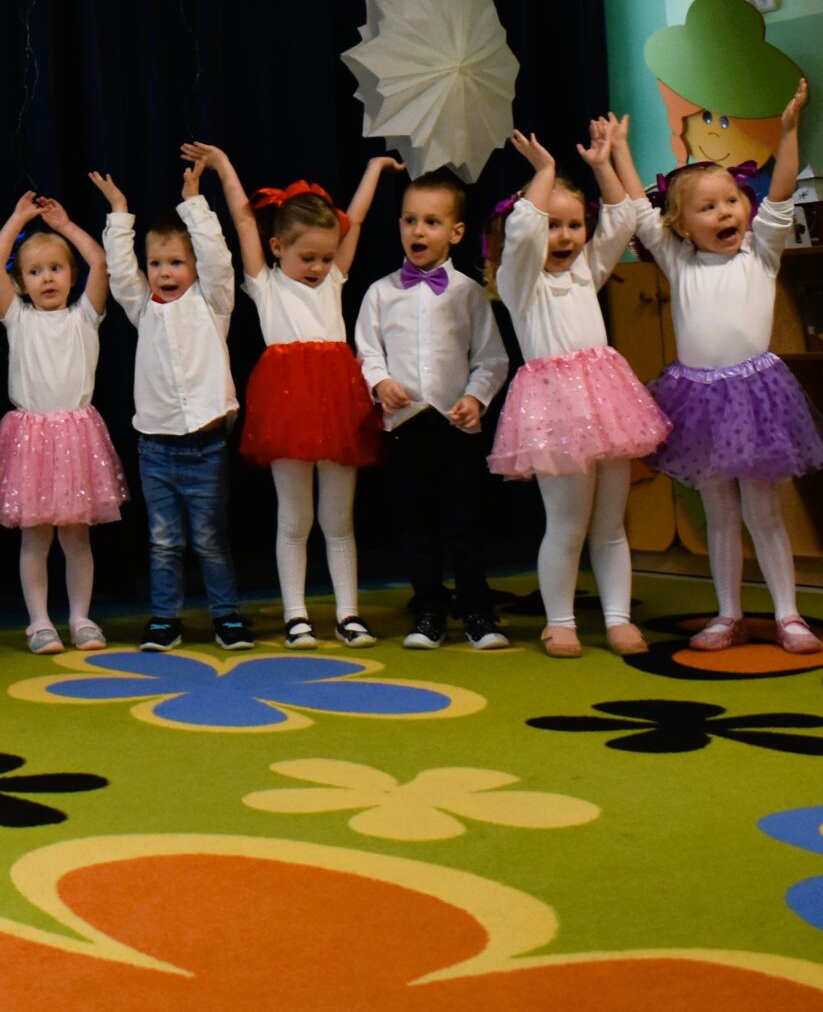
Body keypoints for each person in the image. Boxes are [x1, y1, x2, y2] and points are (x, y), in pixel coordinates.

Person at [620, 79, 823, 654]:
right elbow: (637, 210)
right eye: (707, 208)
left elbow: (782, 191)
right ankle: (728, 614)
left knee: (764, 508)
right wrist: (617, 153)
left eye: (731, 201)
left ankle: (788, 615)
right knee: (719, 512)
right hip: (699, 400)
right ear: (682, 225)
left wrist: (788, 131)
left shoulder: (762, 252)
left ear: (746, 208)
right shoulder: (678, 261)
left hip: (756, 397)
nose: (723, 212)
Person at [489, 119, 672, 658]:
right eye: (553, 226)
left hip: (607, 404)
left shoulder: (586, 270)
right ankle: (560, 621)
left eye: (573, 225)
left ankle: (618, 618)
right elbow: (522, 231)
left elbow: (621, 218)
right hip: (555, 409)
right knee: (567, 523)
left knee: (611, 525)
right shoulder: (519, 282)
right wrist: (544, 170)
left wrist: (603, 163)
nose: (565, 236)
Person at [229, 152, 399, 649]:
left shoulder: (334, 280)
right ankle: (296, 616)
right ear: (277, 247)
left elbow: (356, 219)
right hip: (287, 405)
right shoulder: (264, 284)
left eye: (327, 257)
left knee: (339, 520)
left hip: (337, 401)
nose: (320, 267)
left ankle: (348, 614)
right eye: (308, 258)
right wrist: (222, 165)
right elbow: (244, 218)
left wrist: (372, 169)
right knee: (294, 517)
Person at [96, 155, 252, 653]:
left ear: (194, 267)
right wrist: (119, 214)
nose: (165, 272)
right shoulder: (143, 308)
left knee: (210, 538)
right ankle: (166, 618)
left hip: (207, 445)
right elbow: (121, 272)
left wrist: (194, 205)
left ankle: (226, 616)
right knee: (163, 540)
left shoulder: (213, 302)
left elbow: (218, 259)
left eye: (176, 263)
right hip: (156, 448)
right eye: (157, 264)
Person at [353, 168, 510, 649]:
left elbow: (492, 358)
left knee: (464, 524)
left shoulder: (468, 293)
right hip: (405, 428)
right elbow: (366, 351)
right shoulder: (380, 292)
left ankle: (477, 612)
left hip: (454, 428)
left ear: (456, 232)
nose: (417, 231)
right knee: (414, 525)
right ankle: (428, 611)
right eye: (409, 220)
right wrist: (380, 382)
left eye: (431, 222)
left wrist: (475, 397)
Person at [0, 192, 124, 654]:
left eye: (56, 268)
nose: (47, 278)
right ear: (21, 283)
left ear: (71, 276)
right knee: (35, 538)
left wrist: (65, 227)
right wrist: (17, 218)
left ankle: (81, 618)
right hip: (31, 440)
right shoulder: (17, 318)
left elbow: (100, 262)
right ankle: (39, 622)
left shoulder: (85, 316)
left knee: (77, 537)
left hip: (77, 439)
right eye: (35, 272)